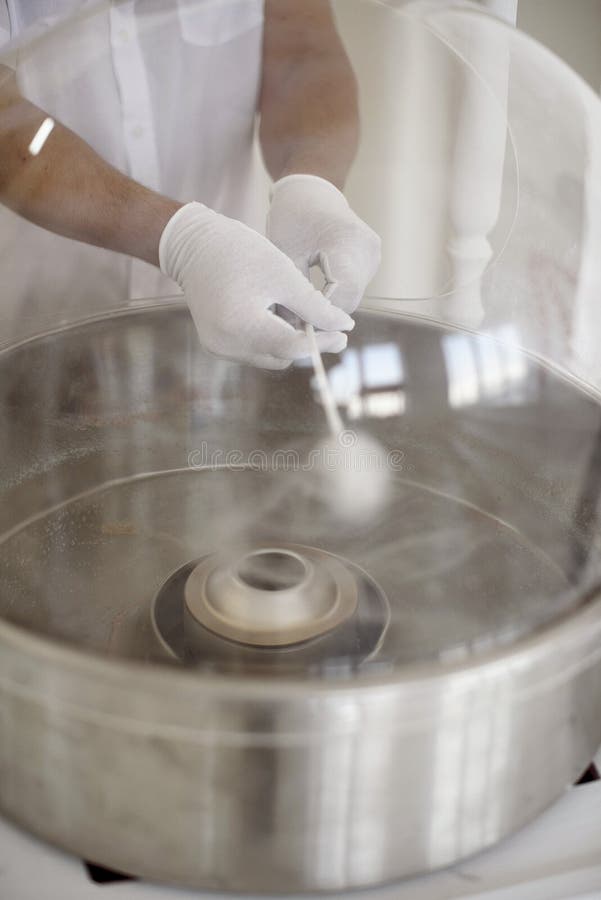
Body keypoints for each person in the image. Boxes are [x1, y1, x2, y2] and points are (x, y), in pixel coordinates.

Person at [0, 0, 380, 368]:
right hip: (38, 330)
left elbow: (304, 54)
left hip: (231, 329)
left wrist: (312, 186)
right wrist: (182, 240)